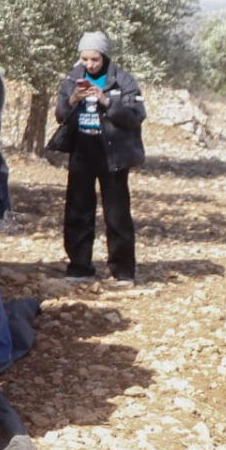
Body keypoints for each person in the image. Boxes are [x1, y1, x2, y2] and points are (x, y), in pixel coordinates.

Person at [53, 31, 146, 283]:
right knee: (77, 211)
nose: (89, 65)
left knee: (117, 214)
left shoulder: (123, 81)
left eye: (94, 59)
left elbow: (136, 115)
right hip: (82, 152)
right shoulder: (73, 78)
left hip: (113, 154)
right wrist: (74, 99)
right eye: (84, 59)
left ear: (104, 56)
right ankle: (79, 267)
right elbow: (60, 114)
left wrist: (105, 100)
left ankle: (123, 271)